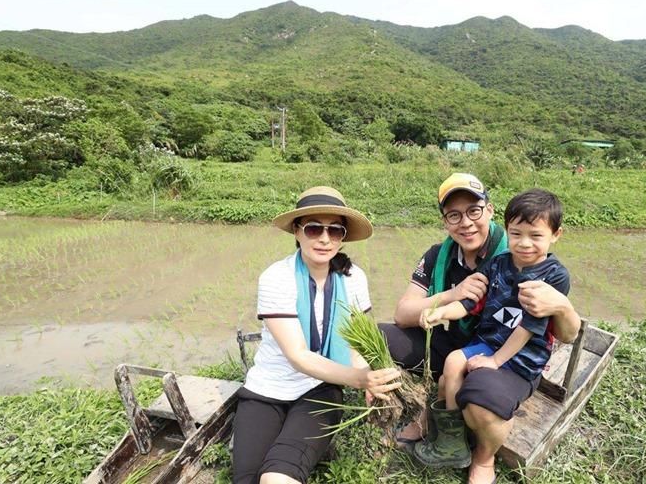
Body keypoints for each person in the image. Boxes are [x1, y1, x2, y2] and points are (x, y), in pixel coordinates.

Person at [378, 173, 581, 484]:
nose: (466, 222)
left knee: (475, 395)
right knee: (401, 344)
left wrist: (496, 360)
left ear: (489, 210)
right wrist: (448, 299)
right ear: (445, 220)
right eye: (454, 215)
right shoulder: (444, 256)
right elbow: (407, 312)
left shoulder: (516, 258)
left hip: (506, 353)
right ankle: (445, 434)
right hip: (463, 342)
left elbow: (555, 330)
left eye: (474, 210)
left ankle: (481, 458)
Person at [232, 186, 401, 484]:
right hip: (267, 390)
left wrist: (365, 376)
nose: (324, 239)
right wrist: (358, 378)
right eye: (313, 229)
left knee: (277, 479)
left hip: (320, 389)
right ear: (297, 231)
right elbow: (297, 354)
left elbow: (357, 341)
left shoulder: (353, 278)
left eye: (334, 231)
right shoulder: (277, 277)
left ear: (343, 236)